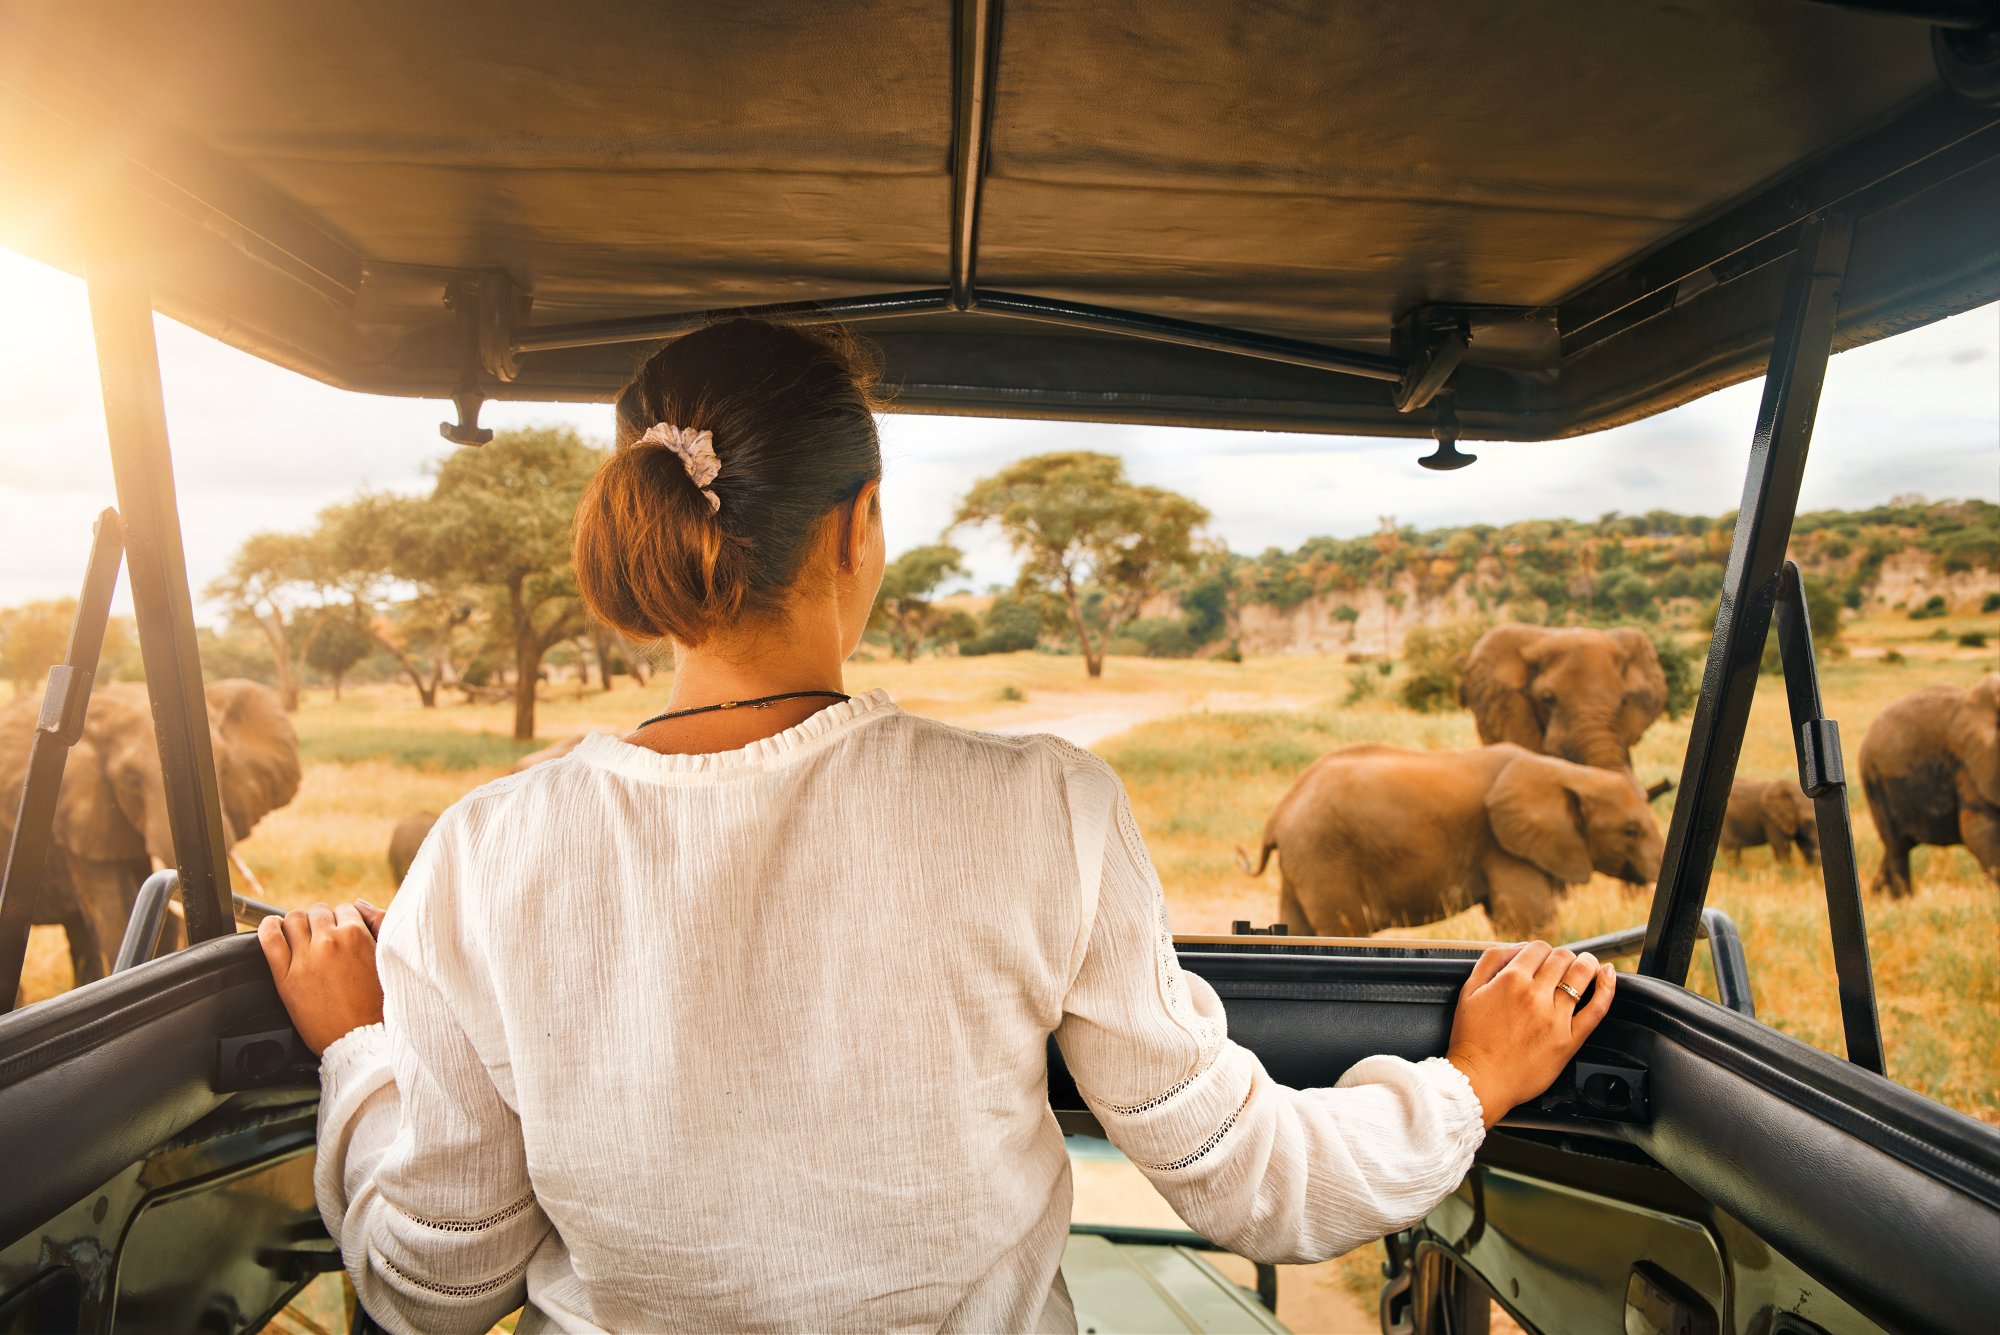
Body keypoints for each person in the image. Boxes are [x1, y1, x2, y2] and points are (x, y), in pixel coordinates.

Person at [259, 318, 1616, 1334]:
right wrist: (1470, 1084)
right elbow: (1253, 1184)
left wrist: (362, 1049)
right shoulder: (1040, 806)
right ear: (860, 529)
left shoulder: (485, 855)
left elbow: (432, 1285)